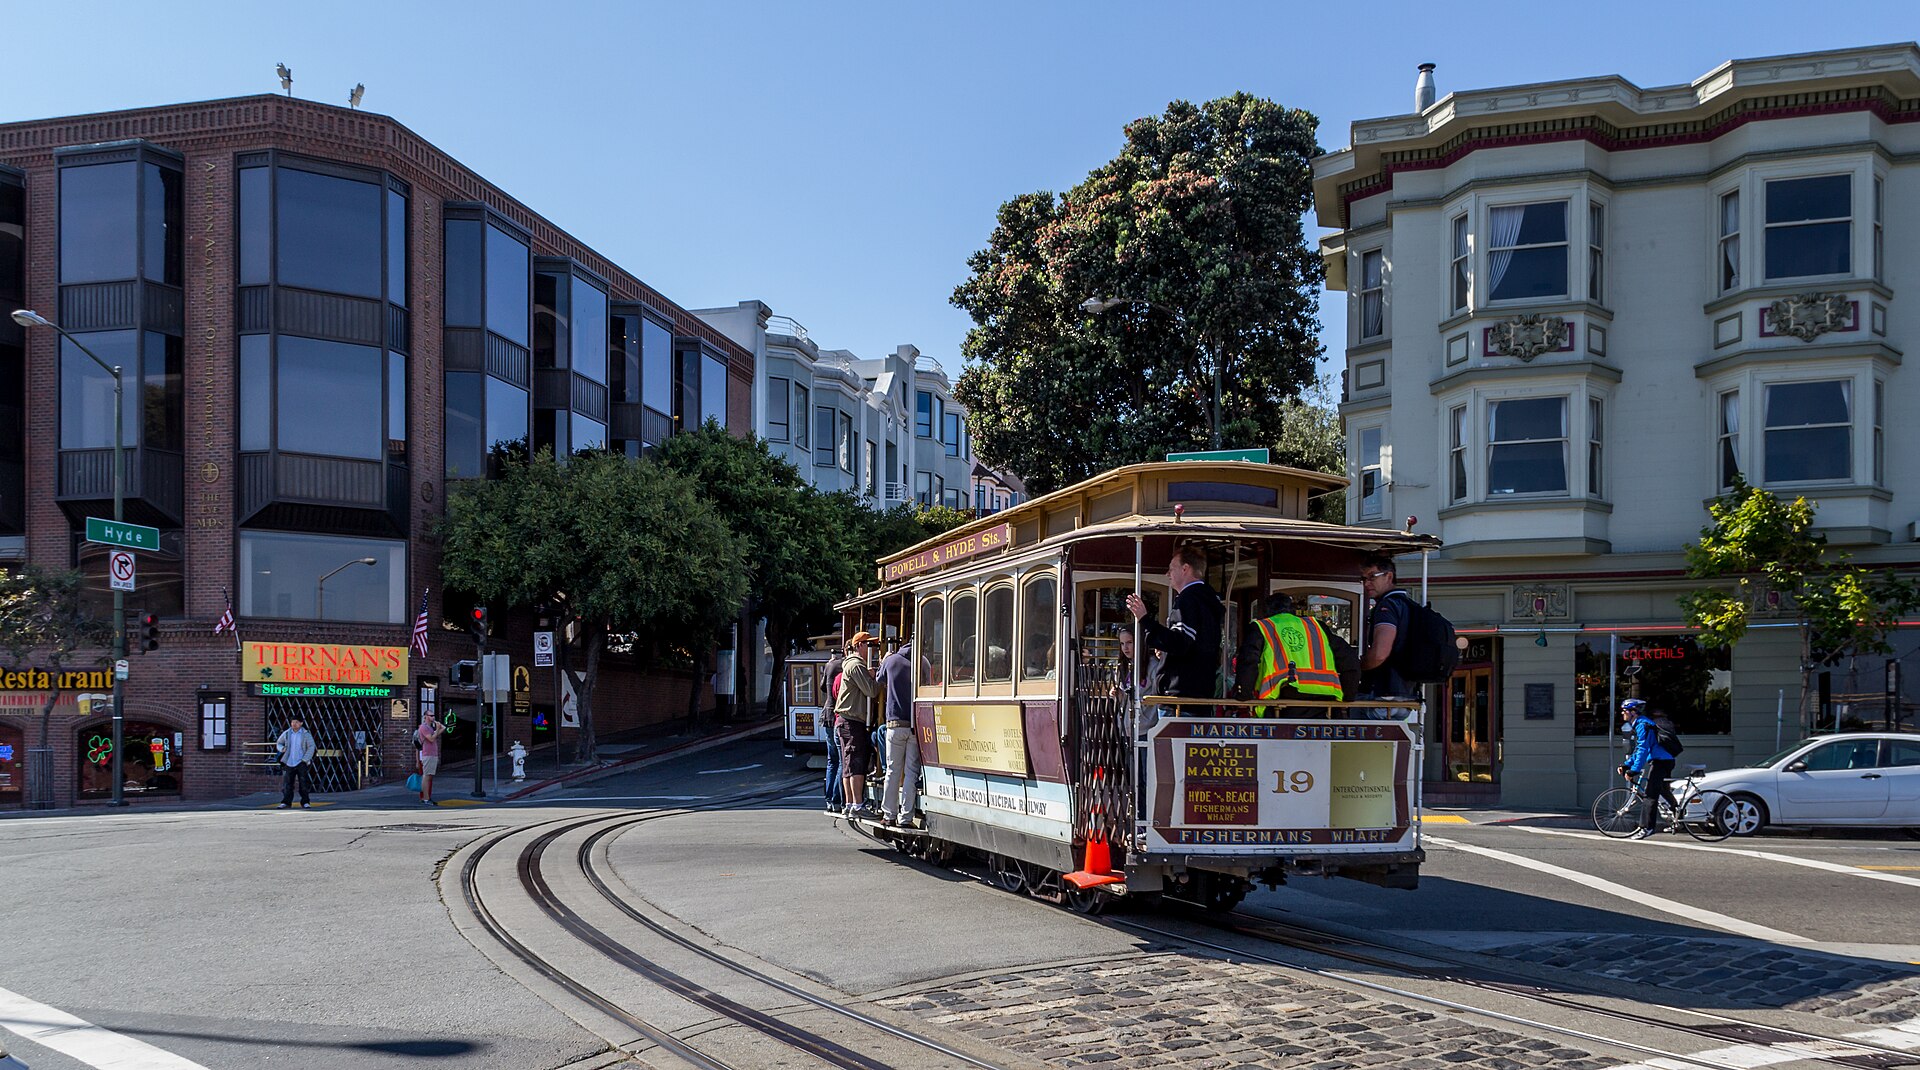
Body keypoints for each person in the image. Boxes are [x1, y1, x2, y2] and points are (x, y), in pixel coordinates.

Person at [1125, 543, 1224, 710]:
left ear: (1185, 569)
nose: (1167, 574)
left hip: (1180, 698)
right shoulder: (1208, 599)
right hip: (1202, 694)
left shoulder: (1188, 599)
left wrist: (1145, 619)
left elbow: (1180, 643)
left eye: (1171, 568)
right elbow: (1193, 644)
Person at [1232, 593, 1357, 716]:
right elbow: (1349, 659)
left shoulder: (1263, 627)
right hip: (1325, 704)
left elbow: (1248, 661)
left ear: (1265, 611)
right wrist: (1348, 696)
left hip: (1283, 704)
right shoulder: (1317, 626)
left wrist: (1243, 695)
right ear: (1292, 609)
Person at [1357, 556, 1414, 719]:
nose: (1367, 583)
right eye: (1364, 578)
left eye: (1372, 577)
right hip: (1406, 695)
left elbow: (1380, 654)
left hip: (1382, 694)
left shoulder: (1387, 606)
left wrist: (1359, 667)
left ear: (1389, 576)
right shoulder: (1409, 605)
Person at [834, 631, 881, 818]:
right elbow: (871, 691)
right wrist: (878, 676)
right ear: (859, 645)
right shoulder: (856, 665)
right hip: (852, 721)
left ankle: (850, 804)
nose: (875, 650)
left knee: (848, 764)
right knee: (856, 762)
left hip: (845, 720)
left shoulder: (852, 664)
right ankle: (857, 805)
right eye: (871, 646)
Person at [1619, 698, 1677, 839]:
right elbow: (1640, 749)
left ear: (1633, 712)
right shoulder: (1642, 723)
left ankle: (1647, 828)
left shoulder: (1643, 725)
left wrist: (1634, 770)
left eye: (1624, 711)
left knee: (1650, 796)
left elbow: (1643, 749)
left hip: (1661, 762)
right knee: (1663, 790)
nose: (1622, 713)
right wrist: (1627, 764)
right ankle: (1677, 817)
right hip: (1664, 760)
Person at [878, 640, 918, 825]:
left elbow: (879, 679)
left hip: (895, 724)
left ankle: (889, 814)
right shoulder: (923, 662)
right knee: (911, 772)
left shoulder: (892, 660)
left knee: (893, 770)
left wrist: (883, 660)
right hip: (915, 726)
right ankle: (906, 817)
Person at [276, 715, 316, 809]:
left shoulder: (306, 734)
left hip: (301, 762)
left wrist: (305, 759)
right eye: (293, 722)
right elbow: (279, 742)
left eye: (296, 722)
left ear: (301, 723)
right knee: (287, 784)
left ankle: (305, 802)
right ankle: (286, 802)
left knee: (303, 783)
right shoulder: (287, 733)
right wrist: (282, 749)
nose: (294, 724)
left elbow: (311, 747)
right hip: (289, 761)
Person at [823, 660, 845, 814]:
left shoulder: (831, 665)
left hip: (826, 715)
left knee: (832, 762)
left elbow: (822, 687)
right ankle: (836, 799)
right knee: (841, 761)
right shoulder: (845, 666)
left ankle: (829, 798)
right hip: (837, 716)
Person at [414, 713, 446, 805]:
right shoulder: (423, 727)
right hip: (427, 754)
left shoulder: (430, 728)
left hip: (432, 754)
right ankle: (425, 798)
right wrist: (437, 730)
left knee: (430, 776)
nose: (433, 717)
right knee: (426, 776)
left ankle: (427, 797)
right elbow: (431, 739)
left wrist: (439, 727)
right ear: (425, 717)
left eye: (433, 715)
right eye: (431, 715)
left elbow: (441, 730)